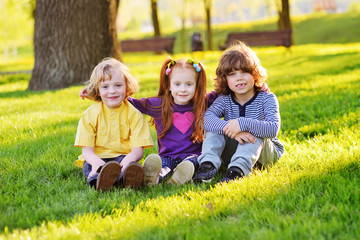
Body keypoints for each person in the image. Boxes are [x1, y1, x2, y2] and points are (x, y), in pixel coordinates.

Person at [192, 42, 285, 184]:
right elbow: (205, 119)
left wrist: (242, 124)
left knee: (255, 131)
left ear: (255, 74)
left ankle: (237, 171)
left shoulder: (267, 98)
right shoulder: (225, 99)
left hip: (265, 154)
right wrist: (231, 130)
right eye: (232, 74)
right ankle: (208, 166)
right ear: (225, 79)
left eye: (244, 72)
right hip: (234, 150)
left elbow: (273, 129)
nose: (239, 78)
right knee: (214, 127)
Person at [74, 58, 154, 191]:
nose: (112, 91)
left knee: (129, 166)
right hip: (97, 157)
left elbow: (137, 150)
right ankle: (99, 180)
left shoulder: (135, 115)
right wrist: (95, 162)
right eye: (105, 87)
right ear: (98, 90)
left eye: (118, 85)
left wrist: (128, 160)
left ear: (127, 87)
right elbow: (87, 151)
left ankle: (126, 178)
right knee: (91, 168)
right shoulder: (89, 115)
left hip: (124, 157)